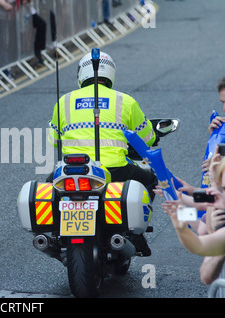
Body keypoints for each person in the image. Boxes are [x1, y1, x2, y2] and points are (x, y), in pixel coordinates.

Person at [48, 50, 158, 256]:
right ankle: (134, 233)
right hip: (115, 169)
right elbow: (148, 137)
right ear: (111, 73)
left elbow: (54, 139)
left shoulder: (63, 101)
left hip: (70, 170)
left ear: (81, 74)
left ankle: (55, 231)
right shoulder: (125, 101)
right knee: (151, 178)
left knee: (48, 188)